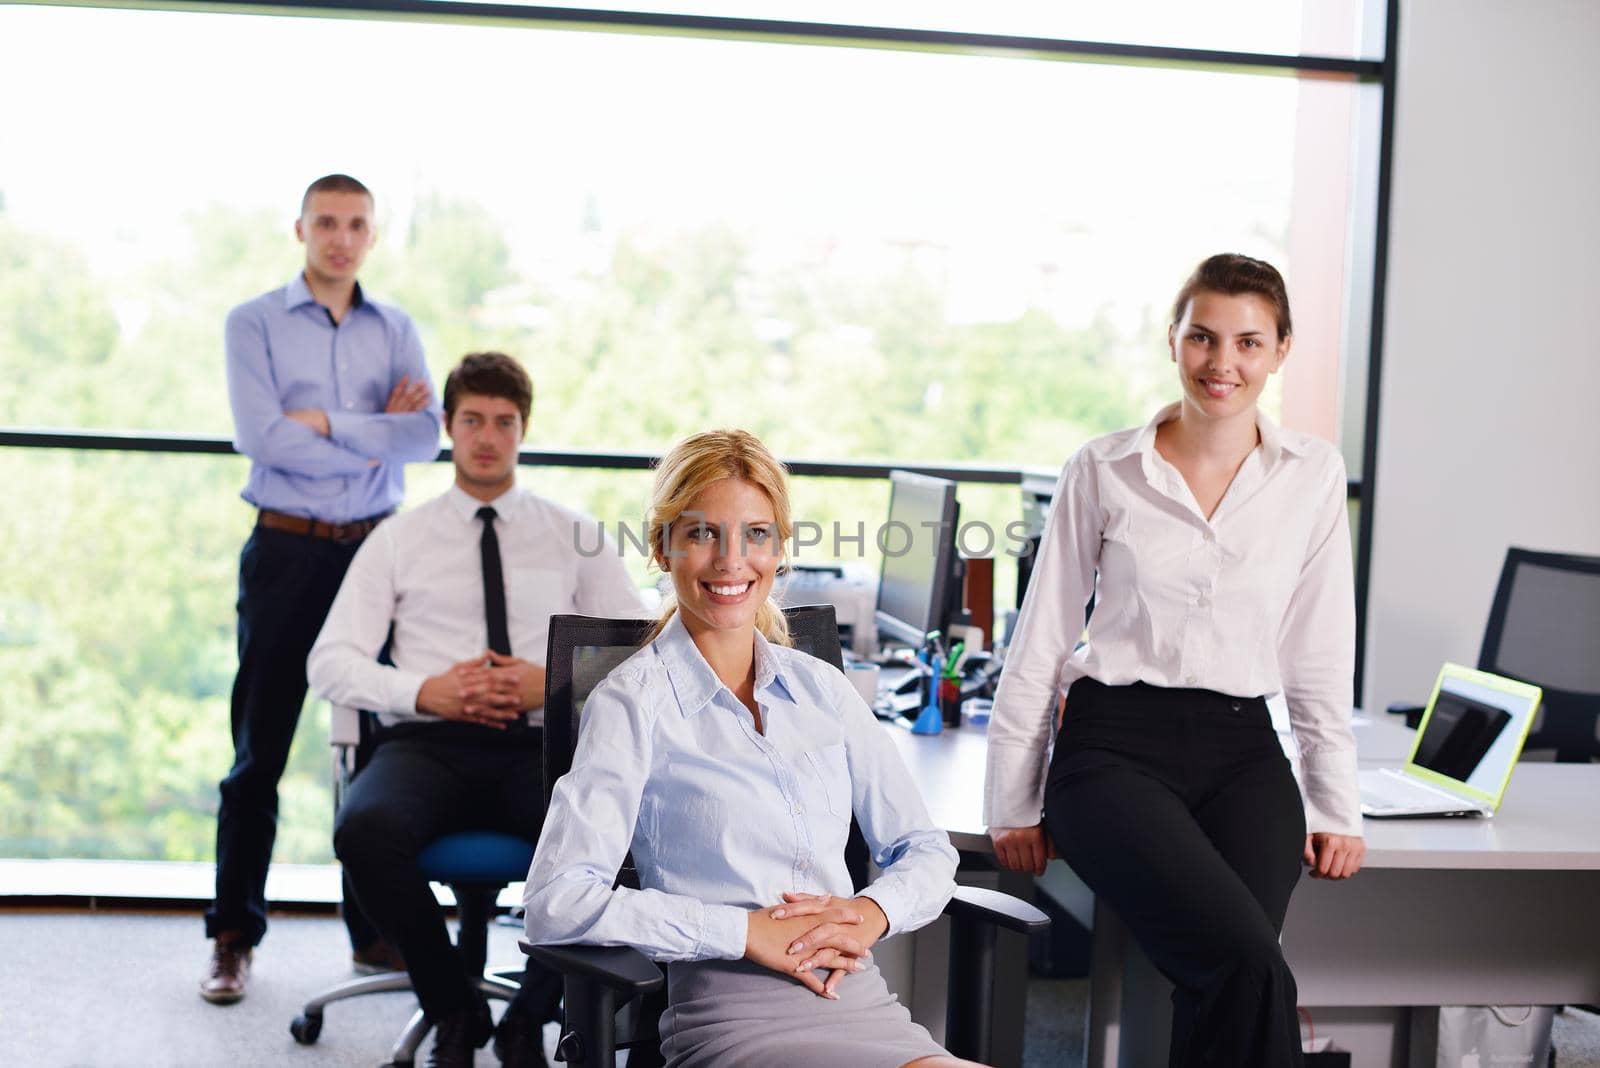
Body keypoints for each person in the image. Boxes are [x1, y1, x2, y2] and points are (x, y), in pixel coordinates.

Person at [985, 253, 1366, 1068]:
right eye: (1202, 337)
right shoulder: (1104, 467)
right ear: (1172, 340)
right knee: (1249, 964)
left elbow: (1320, 650)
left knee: (1225, 979)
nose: (1222, 363)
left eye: (1247, 342)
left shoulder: (1312, 476)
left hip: (1242, 750)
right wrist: (1013, 798)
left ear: (1280, 350)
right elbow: (1042, 637)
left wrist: (1336, 804)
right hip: (1113, 748)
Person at [523, 429, 980, 1068]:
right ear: (662, 547)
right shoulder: (632, 702)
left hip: (863, 1005)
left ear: (780, 548)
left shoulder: (822, 688)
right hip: (734, 1023)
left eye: (756, 534)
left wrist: (870, 912)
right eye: (703, 533)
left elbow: (925, 851)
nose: (731, 561)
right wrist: (741, 932)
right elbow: (554, 901)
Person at [308, 351, 646, 1068]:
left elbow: (642, 652)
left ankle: (531, 1012)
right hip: (427, 744)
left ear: (524, 429)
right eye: (472, 420)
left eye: (504, 421)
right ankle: (453, 1007)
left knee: (616, 833)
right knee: (364, 832)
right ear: (447, 426)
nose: (487, 436)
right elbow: (330, 661)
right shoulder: (397, 537)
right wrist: (425, 690)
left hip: (540, 746)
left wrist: (553, 684)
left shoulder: (575, 534)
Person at [203, 173, 442, 1004]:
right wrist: (375, 439)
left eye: (356, 225)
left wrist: (331, 425)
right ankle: (232, 936)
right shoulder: (255, 323)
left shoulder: (397, 328)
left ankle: (375, 934)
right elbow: (258, 438)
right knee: (258, 751)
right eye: (327, 222)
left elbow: (423, 438)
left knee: (374, 749)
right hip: (287, 549)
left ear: (372, 236)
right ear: (300, 228)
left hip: (377, 555)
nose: (341, 237)